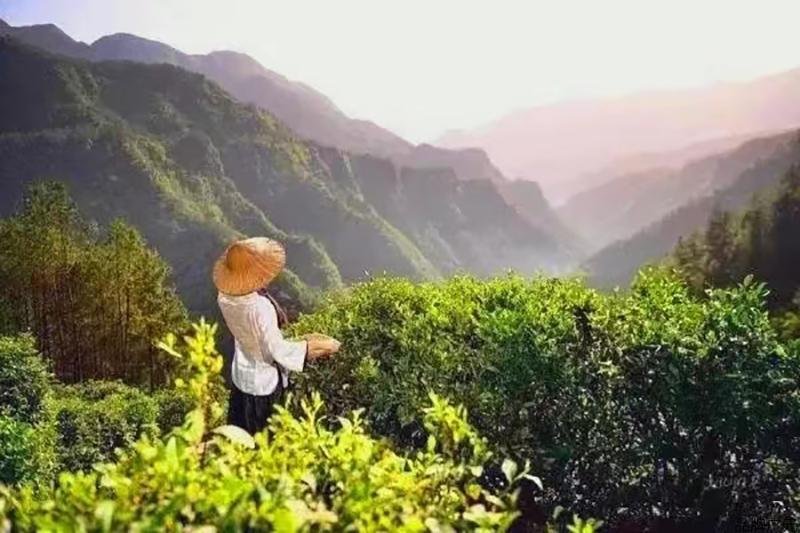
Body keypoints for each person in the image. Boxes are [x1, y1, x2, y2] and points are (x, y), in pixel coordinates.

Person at [213, 237, 340, 435]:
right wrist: (325, 346)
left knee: (240, 441)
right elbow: (278, 351)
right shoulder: (260, 307)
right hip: (262, 386)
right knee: (264, 443)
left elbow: (256, 336)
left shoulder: (224, 297)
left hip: (241, 375)